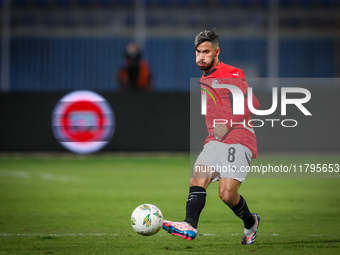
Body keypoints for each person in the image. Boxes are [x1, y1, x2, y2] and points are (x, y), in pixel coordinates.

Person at [162, 30, 261, 245]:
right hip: (216, 141)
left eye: (206, 52)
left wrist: (228, 124)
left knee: (226, 195)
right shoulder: (204, 78)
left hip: (238, 138)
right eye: (197, 52)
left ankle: (251, 222)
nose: (200, 57)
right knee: (197, 178)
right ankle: (189, 225)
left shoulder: (231, 73)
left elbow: (252, 103)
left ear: (217, 52)